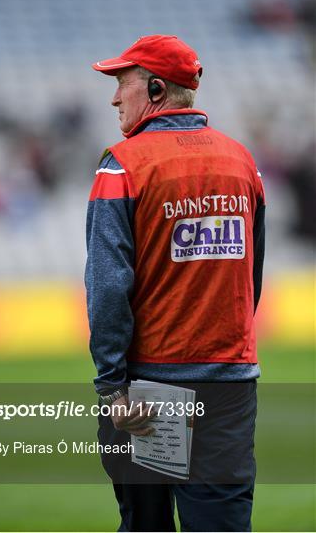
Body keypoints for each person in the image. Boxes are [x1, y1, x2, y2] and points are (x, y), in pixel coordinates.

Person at [85, 35, 265, 532]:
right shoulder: (242, 162)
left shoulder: (122, 165)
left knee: (147, 526)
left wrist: (111, 388)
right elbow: (251, 278)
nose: (115, 97)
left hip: (150, 384)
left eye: (124, 83)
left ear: (157, 88)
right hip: (230, 384)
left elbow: (107, 288)